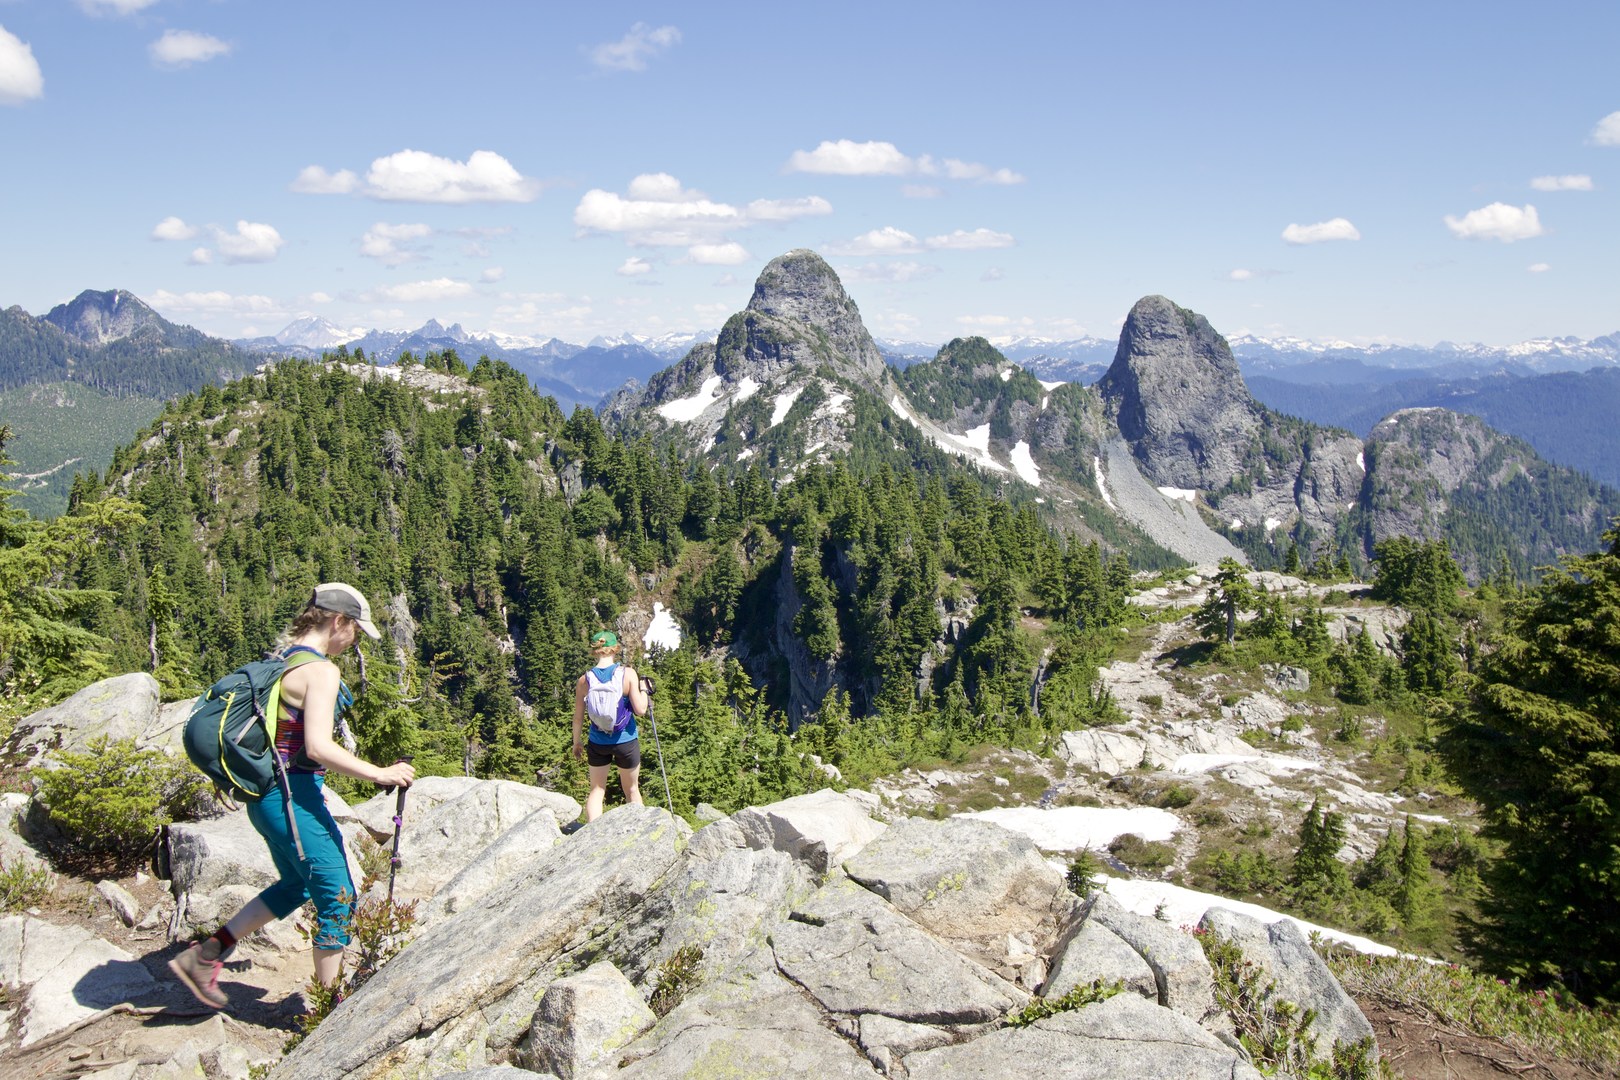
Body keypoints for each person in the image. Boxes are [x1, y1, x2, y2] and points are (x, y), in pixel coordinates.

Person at [169, 583, 415, 1010]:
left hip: (268, 799)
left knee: (296, 886)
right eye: (355, 630)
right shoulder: (321, 671)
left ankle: (205, 955)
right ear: (338, 621)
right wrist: (380, 773)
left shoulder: (282, 660)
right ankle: (330, 1012)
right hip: (292, 797)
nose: (355, 640)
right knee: (338, 896)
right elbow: (317, 747)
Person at [572, 630, 650, 823]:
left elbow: (578, 718)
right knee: (631, 789)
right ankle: (639, 830)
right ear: (615, 649)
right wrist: (644, 689)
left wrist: (576, 742)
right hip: (626, 740)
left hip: (598, 741)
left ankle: (594, 832)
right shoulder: (627, 674)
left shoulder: (584, 680)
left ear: (594, 651)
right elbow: (640, 709)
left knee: (597, 790)